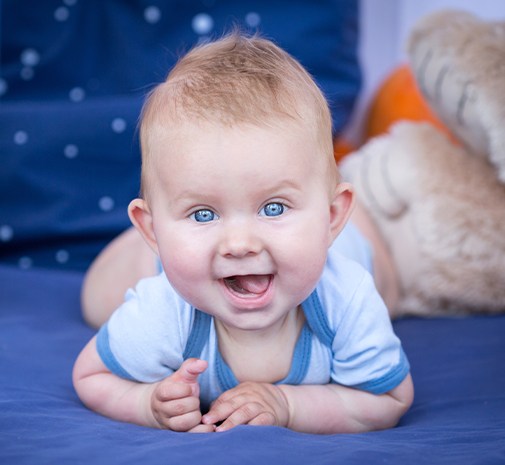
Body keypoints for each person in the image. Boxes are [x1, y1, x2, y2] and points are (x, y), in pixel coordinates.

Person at [73, 32, 413, 434]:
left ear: (332, 214)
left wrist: (287, 405)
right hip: (174, 259)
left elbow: (389, 398)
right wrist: (147, 404)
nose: (239, 244)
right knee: (97, 299)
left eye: (273, 207)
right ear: (151, 228)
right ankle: (153, 245)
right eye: (203, 213)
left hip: (352, 245)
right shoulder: (163, 313)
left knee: (393, 289)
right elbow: (91, 376)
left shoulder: (348, 298)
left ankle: (355, 215)